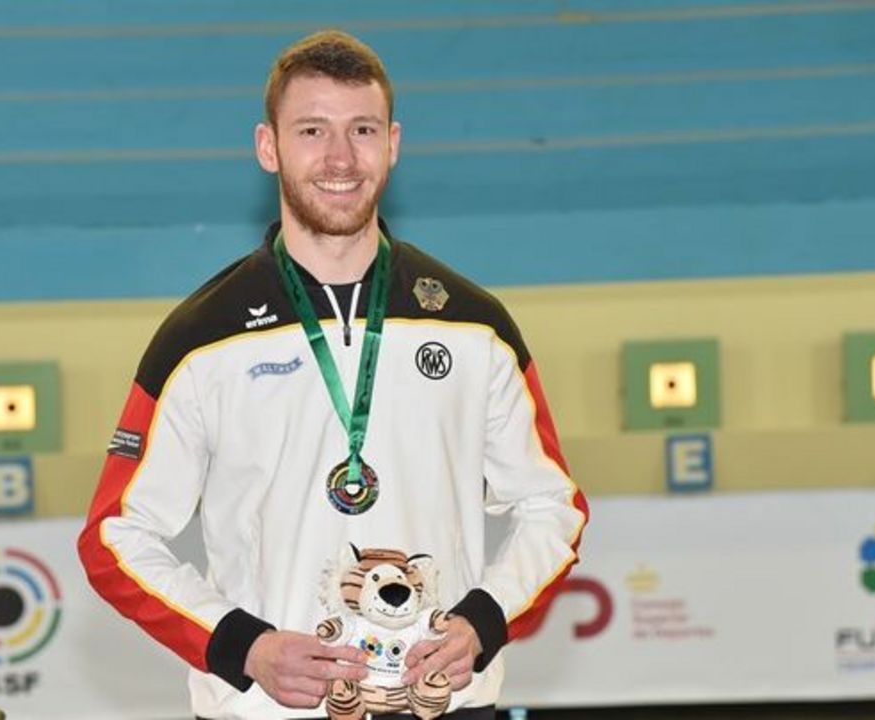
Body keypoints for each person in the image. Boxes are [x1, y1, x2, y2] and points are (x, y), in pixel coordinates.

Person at [78, 29, 588, 720]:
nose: (341, 158)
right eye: (312, 130)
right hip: (267, 711)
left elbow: (553, 509)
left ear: (394, 143)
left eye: (363, 130)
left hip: (440, 705)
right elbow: (116, 535)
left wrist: (485, 619)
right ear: (269, 146)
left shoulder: (476, 326)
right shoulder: (201, 338)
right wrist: (245, 648)